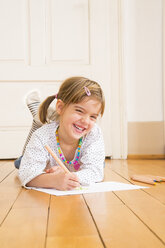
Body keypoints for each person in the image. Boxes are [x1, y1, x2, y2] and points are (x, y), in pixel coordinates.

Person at [18, 76, 105, 190]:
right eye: (79, 111)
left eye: (93, 116)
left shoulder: (93, 133)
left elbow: (95, 172)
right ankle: (38, 117)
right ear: (60, 107)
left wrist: (69, 177)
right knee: (20, 163)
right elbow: (26, 173)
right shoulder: (42, 136)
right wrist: (54, 180)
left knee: (100, 165)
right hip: (43, 157)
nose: (85, 121)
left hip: (74, 166)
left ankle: (42, 116)